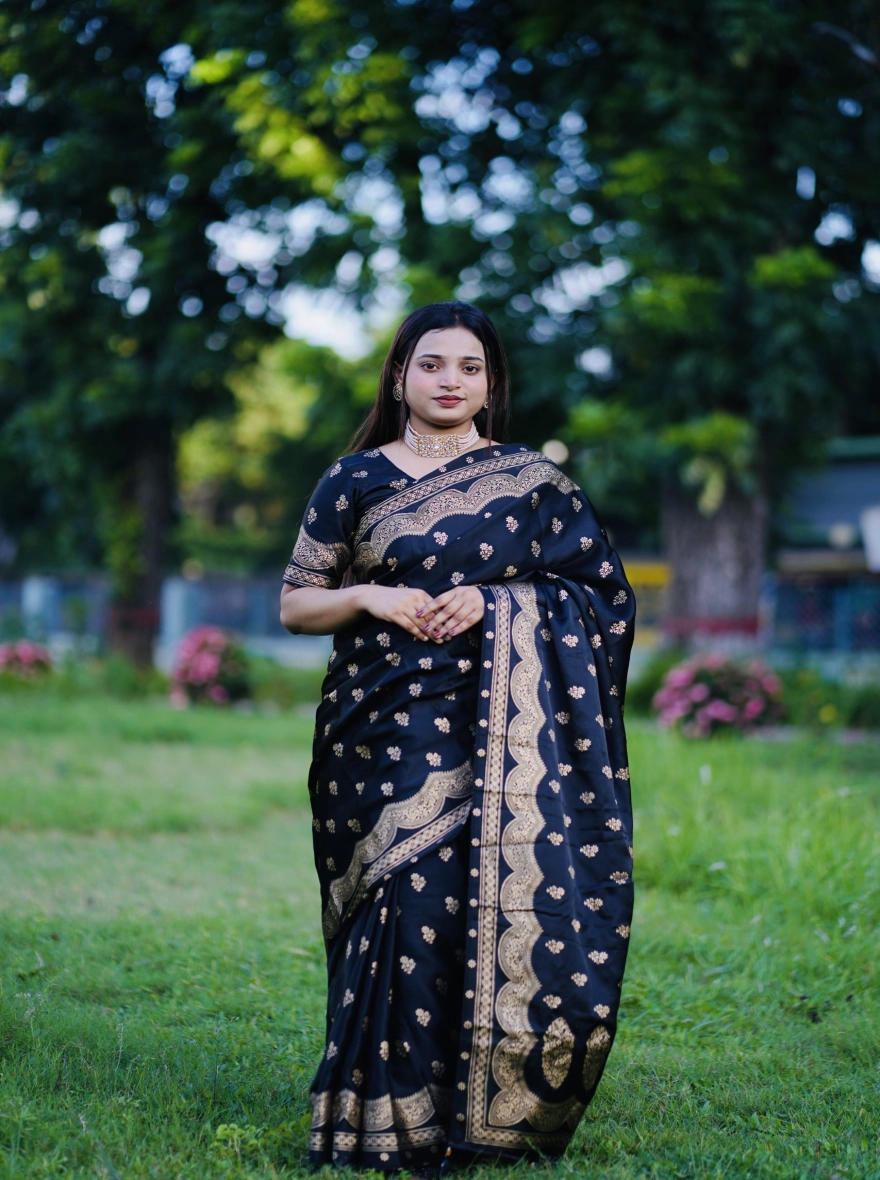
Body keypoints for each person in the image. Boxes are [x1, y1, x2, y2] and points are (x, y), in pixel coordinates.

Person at [280, 301, 635, 1175]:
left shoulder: (532, 482)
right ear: (400, 374)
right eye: (432, 364)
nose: (450, 382)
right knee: (401, 907)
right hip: (378, 730)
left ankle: (480, 1113)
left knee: (464, 906)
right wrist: (369, 597)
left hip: (500, 733)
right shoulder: (353, 480)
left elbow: (605, 599)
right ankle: (380, 1114)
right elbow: (295, 605)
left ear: (490, 382)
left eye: (469, 368)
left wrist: (499, 600)